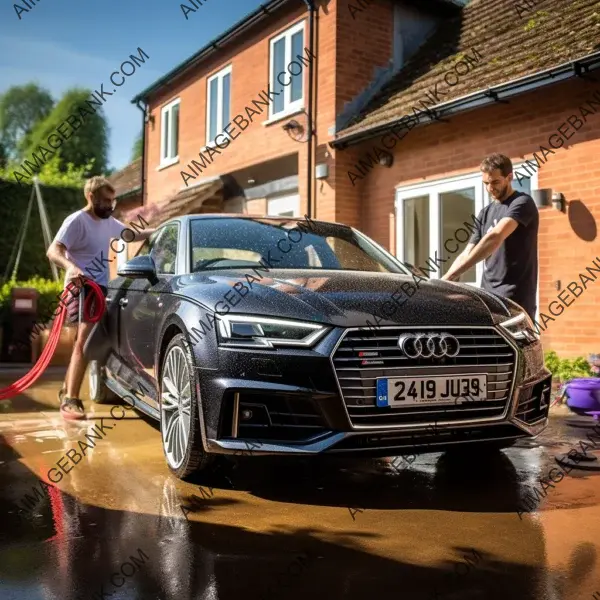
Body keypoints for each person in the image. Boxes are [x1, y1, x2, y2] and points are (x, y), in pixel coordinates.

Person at [47, 176, 155, 419]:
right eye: (105, 201)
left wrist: (159, 230)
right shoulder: (77, 220)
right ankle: (70, 400)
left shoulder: (108, 222)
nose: (110, 205)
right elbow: (53, 250)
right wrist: (71, 267)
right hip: (82, 286)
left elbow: (129, 235)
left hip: (100, 287)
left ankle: (67, 388)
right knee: (84, 342)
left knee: (85, 342)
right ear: (91, 197)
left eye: (112, 201)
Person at [441, 153, 539, 320]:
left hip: (515, 296)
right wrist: (445, 281)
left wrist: (452, 275)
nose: (490, 188)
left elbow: (495, 237)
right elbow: (467, 253)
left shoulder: (522, 203)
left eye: (495, 182)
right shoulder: (485, 213)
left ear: (509, 177)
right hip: (487, 294)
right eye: (486, 183)